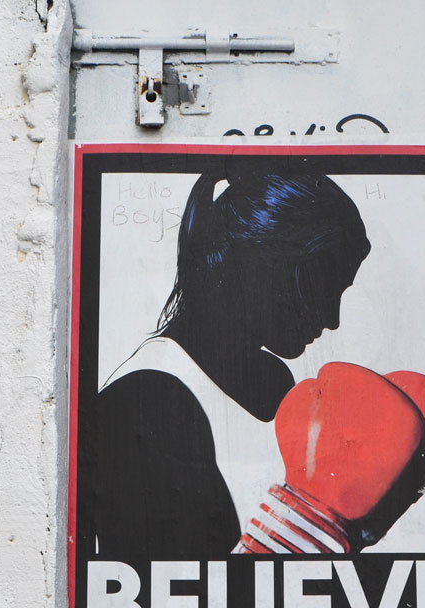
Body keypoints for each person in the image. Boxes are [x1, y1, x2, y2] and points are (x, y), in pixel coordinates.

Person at [92, 170, 372, 559]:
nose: (332, 317)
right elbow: (190, 604)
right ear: (261, 267)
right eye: (321, 283)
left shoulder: (269, 383)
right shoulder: (146, 402)